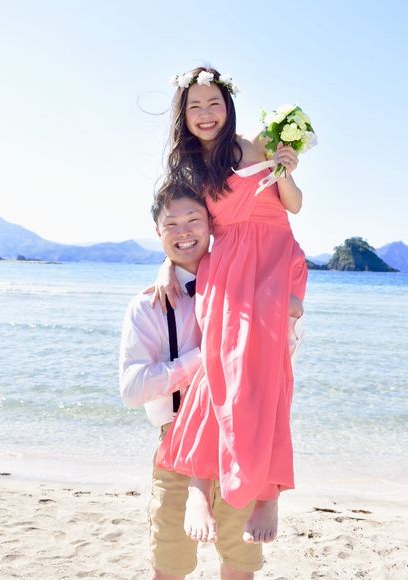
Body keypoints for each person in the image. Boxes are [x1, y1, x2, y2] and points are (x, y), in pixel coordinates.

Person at [153, 66, 308, 545]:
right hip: (228, 268)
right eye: (195, 106)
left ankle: (269, 491)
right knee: (219, 367)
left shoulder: (259, 144)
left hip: (276, 261)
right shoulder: (187, 171)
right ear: (183, 114)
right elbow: (181, 226)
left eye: (213, 103)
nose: (206, 114)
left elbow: (294, 206)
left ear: (229, 106)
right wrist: (167, 264)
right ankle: (199, 483)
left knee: (270, 375)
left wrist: (286, 169)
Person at [119, 187, 263, 579]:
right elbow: (132, 390)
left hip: (238, 442)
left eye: (193, 220)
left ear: (211, 224)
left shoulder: (244, 287)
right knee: (169, 566)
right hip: (177, 443)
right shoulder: (147, 305)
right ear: (157, 231)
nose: (184, 231)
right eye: (172, 223)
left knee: (239, 566)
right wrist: (204, 357)